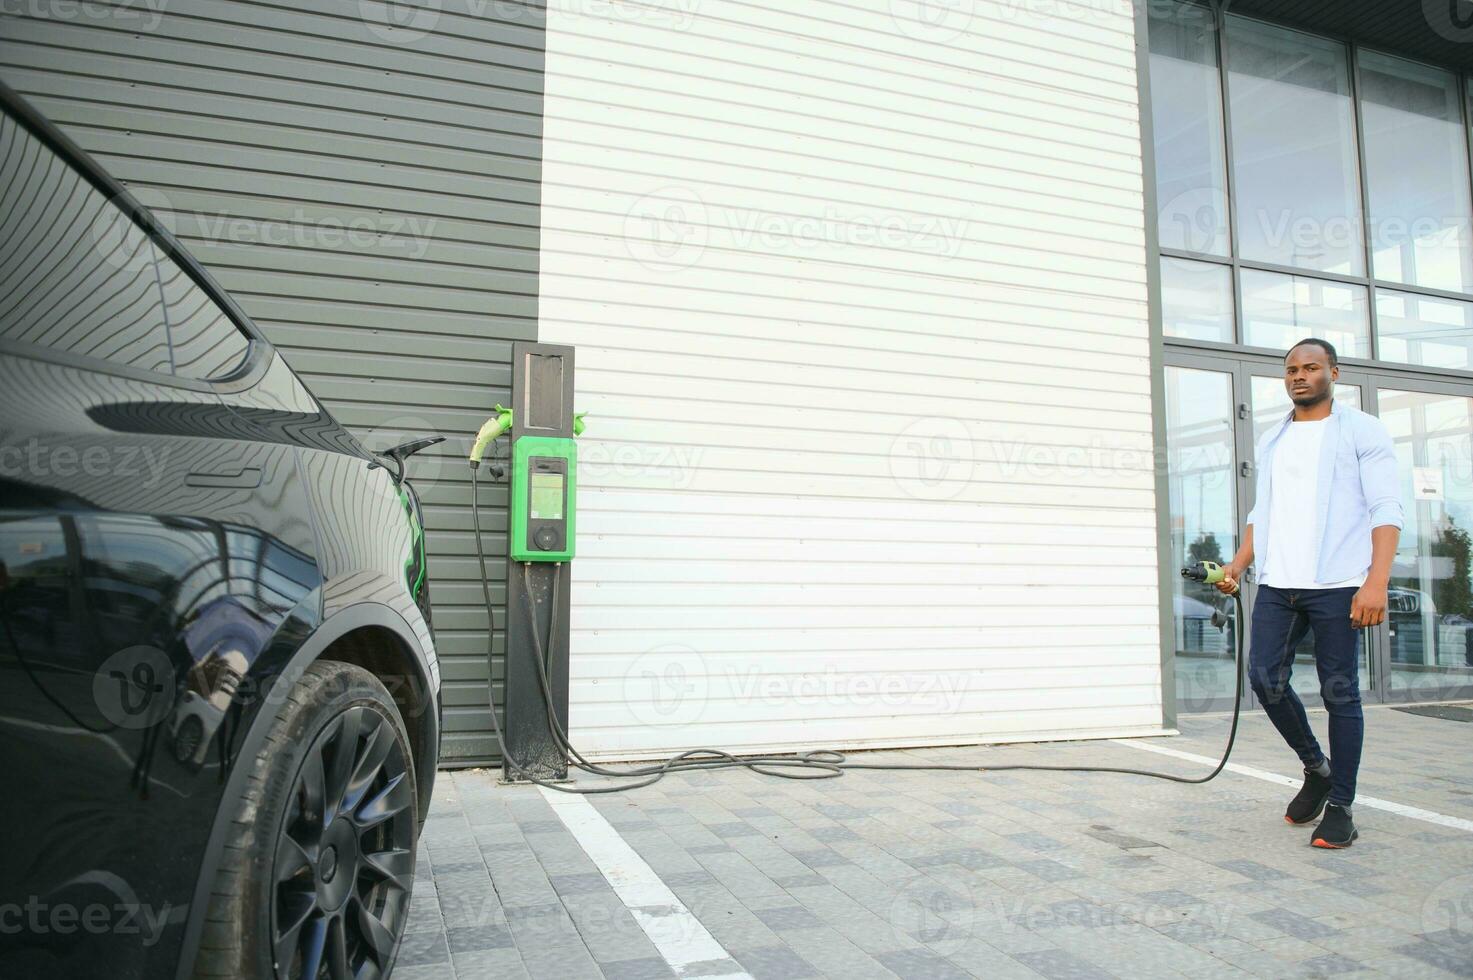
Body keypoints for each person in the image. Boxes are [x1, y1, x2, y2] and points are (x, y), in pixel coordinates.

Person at [1217, 338, 1403, 848]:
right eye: (1292, 369)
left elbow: (1386, 508)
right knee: (1264, 678)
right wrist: (1237, 564)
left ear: (1333, 374)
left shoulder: (1363, 431)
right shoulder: (1275, 438)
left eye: (1311, 368)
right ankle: (1316, 769)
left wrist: (1376, 581)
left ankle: (1341, 804)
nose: (1299, 376)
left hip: (1339, 584)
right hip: (1280, 583)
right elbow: (1264, 513)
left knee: (1338, 692)